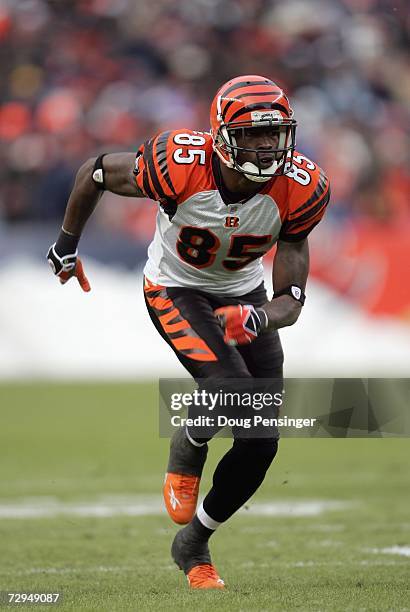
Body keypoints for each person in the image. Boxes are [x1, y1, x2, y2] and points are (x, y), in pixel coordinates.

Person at [47, 75, 330, 590]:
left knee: (262, 441)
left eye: (275, 134)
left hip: (244, 295)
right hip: (175, 287)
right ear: (222, 135)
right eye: (253, 133)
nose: (268, 146)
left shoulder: (302, 188)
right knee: (231, 390)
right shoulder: (178, 165)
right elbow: (95, 172)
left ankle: (194, 542)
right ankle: (191, 438)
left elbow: (292, 297)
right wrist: (67, 243)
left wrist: (259, 316)